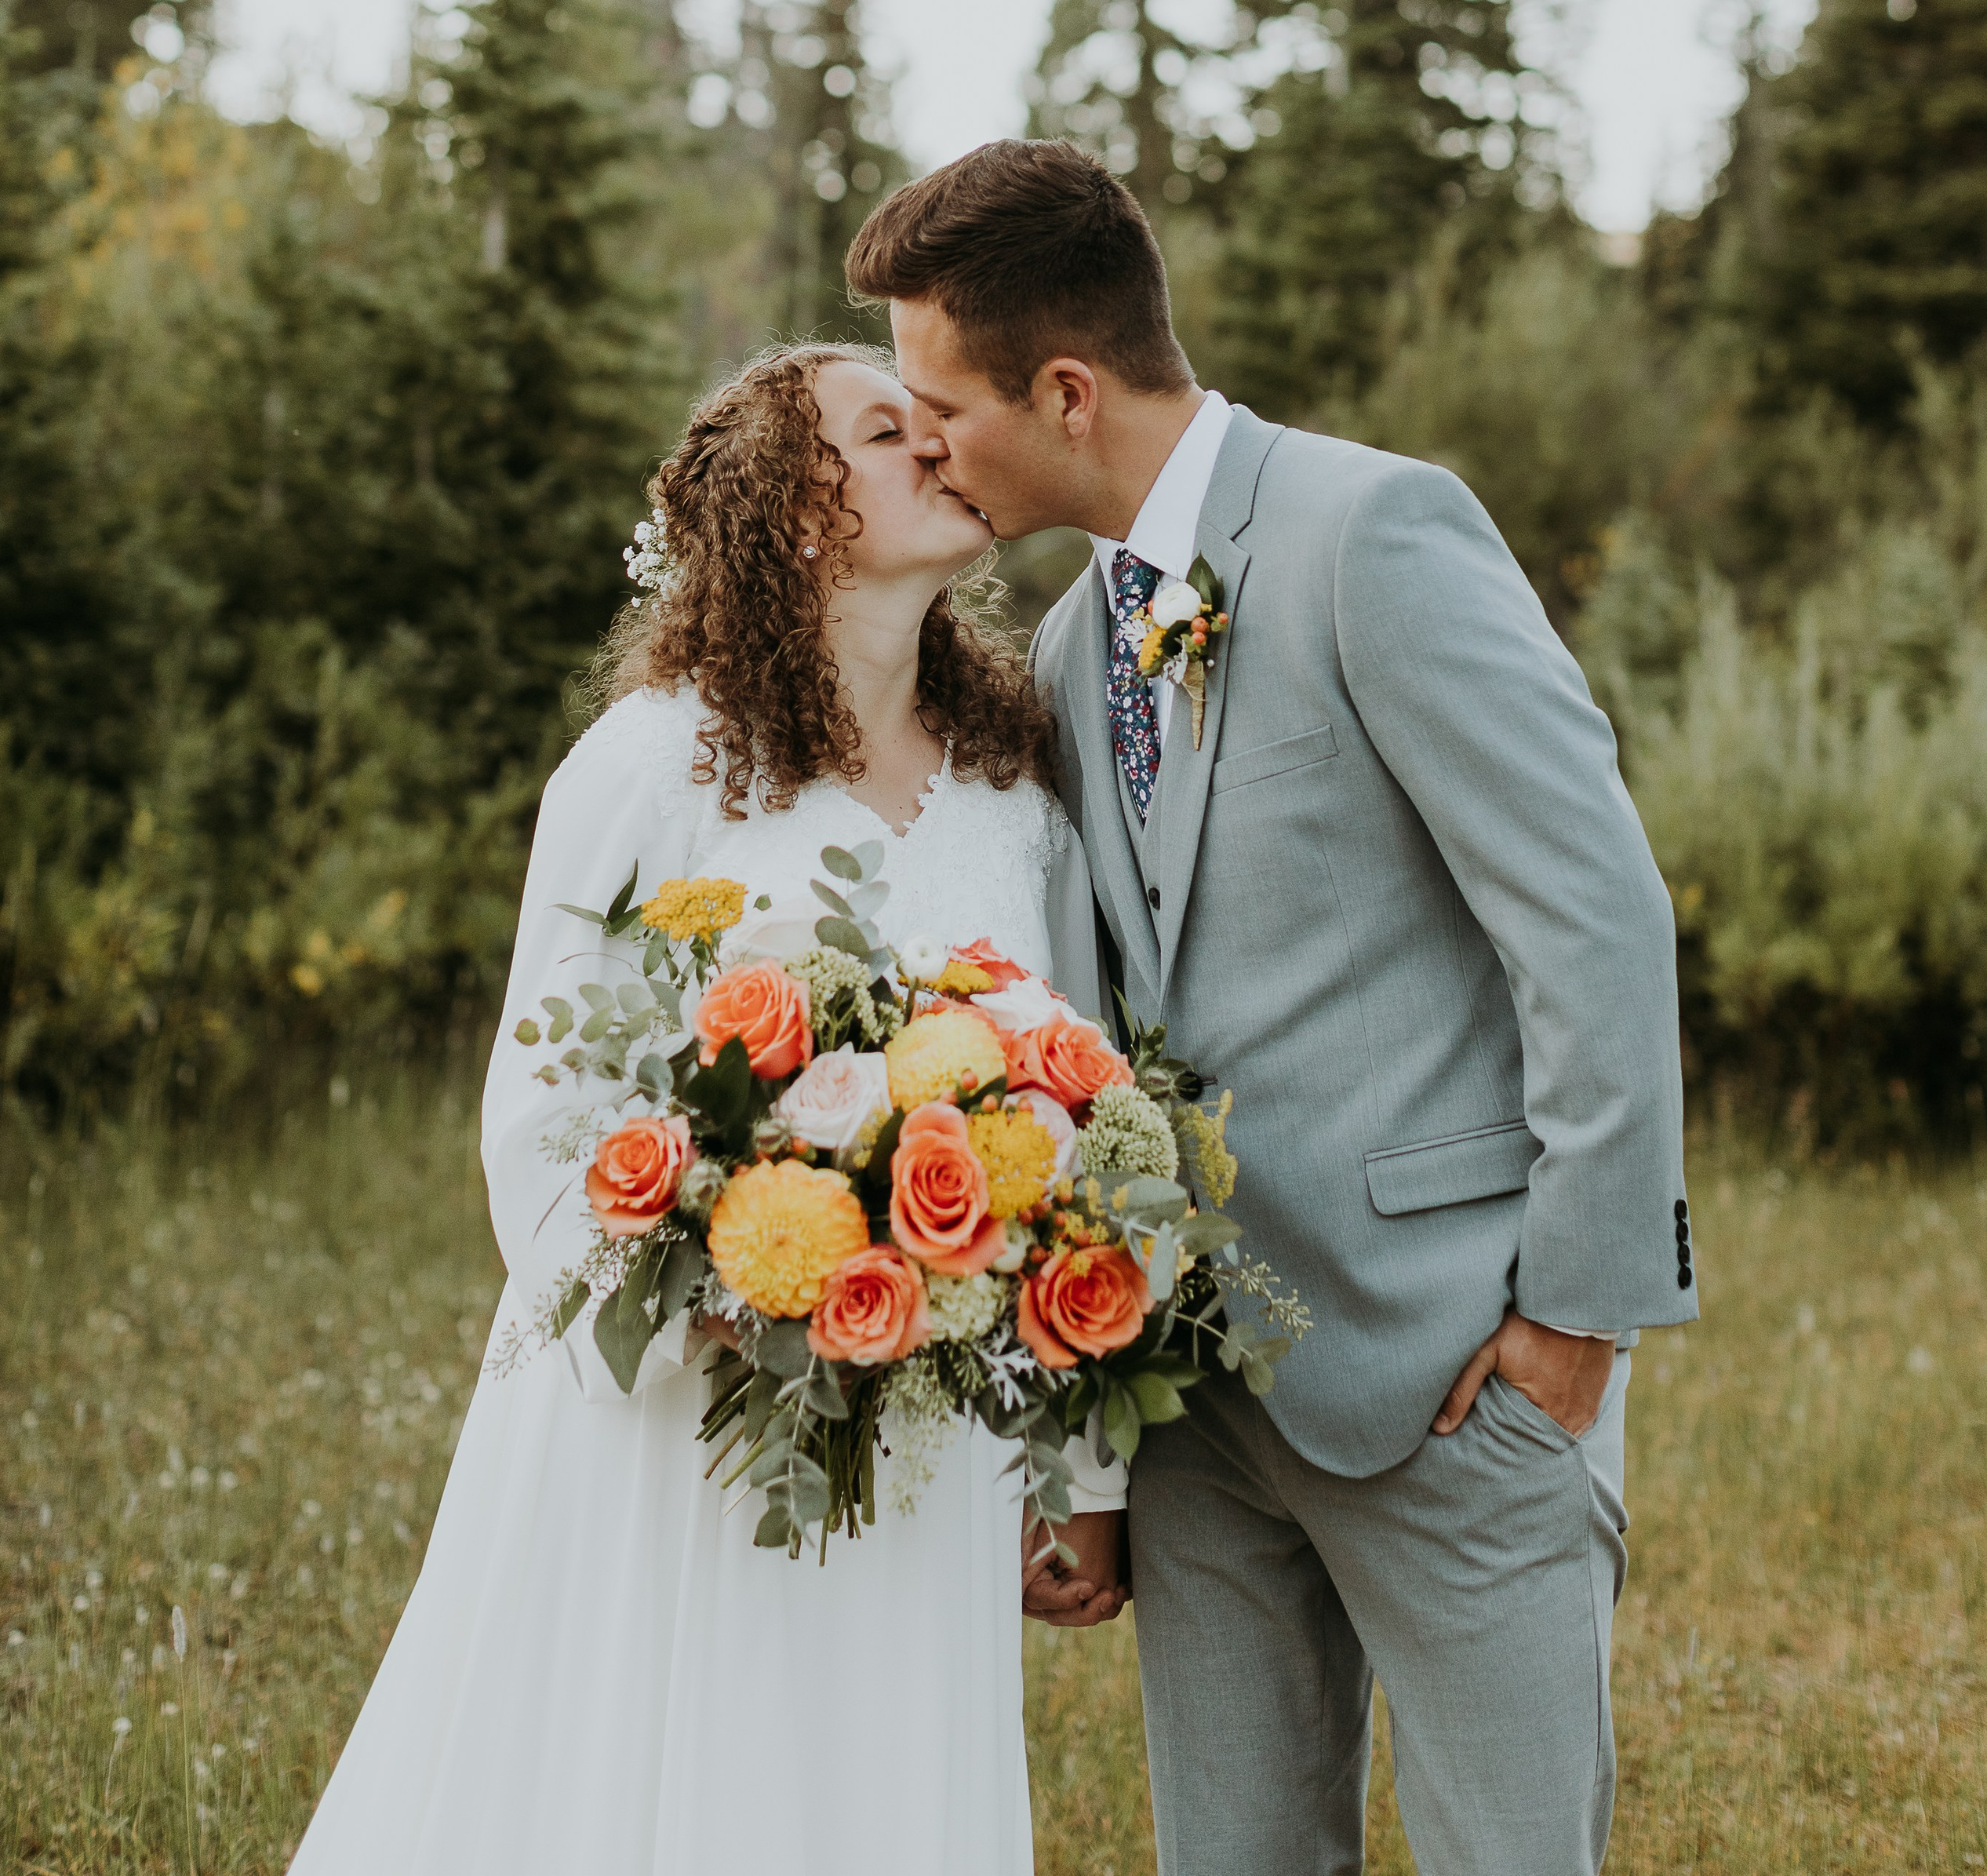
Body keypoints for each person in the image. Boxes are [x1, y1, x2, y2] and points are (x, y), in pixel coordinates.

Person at [846, 142, 1698, 1876]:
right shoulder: (1084, 640)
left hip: (1459, 1366)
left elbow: (1594, 917)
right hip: (1198, 1406)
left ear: (1064, 389)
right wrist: (1089, 1436)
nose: (923, 442)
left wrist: (1577, 1323)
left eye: (941, 405)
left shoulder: (1371, 530)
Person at [290, 343, 1124, 1876]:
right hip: (686, 1415)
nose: (939, 447)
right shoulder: (654, 763)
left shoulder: (1013, 792)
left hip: (925, 1418)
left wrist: (1064, 1468)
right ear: (796, 513)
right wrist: (724, 1294)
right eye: (888, 432)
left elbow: (1065, 1113)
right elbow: (541, 1114)